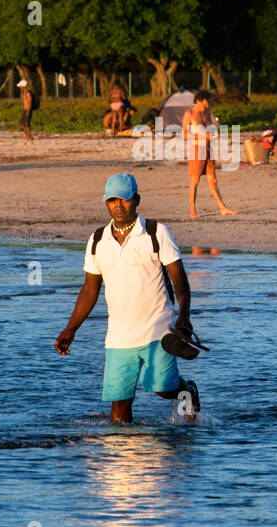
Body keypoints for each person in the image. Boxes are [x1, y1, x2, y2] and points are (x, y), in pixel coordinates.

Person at [54, 173, 200, 424]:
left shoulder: (157, 233)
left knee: (163, 389)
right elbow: (90, 290)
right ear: (106, 203)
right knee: (119, 412)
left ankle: (187, 391)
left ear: (136, 200)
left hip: (158, 332)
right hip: (119, 337)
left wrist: (184, 318)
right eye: (112, 200)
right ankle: (122, 458)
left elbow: (180, 282)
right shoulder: (98, 240)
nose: (118, 206)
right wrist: (71, 329)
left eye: (124, 200)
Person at [181, 90, 239, 217]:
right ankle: (192, 210)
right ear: (198, 101)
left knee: (212, 180)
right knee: (195, 180)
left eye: (207, 105)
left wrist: (214, 133)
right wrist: (201, 138)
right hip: (196, 149)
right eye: (204, 105)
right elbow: (184, 134)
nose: (206, 107)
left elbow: (213, 126)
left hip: (209, 148)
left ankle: (223, 208)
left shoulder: (207, 112)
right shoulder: (189, 113)